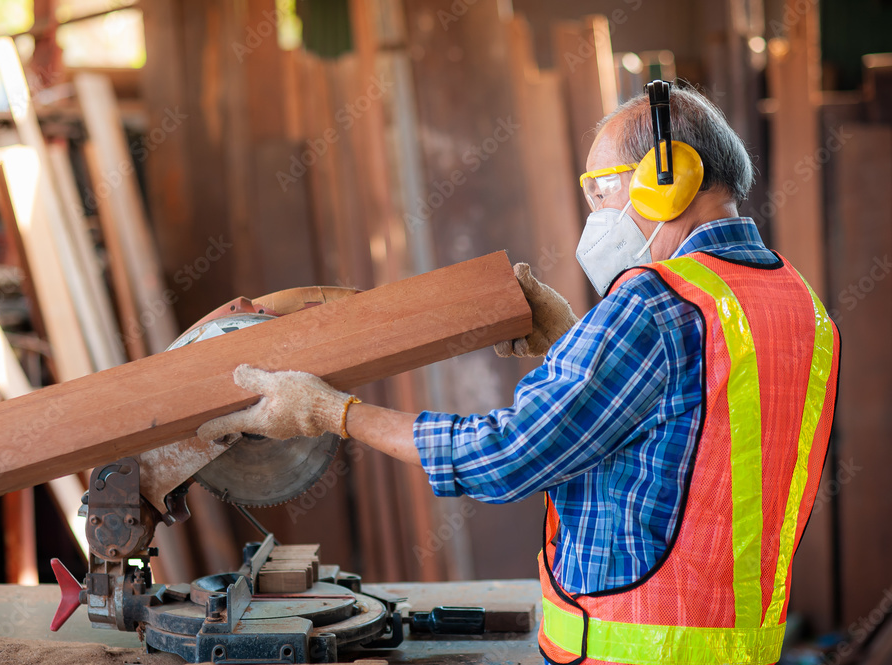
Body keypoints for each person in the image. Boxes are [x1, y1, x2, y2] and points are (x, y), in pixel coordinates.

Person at [198, 81, 840, 665]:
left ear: (667, 180)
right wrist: (571, 338)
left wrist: (329, 412)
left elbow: (507, 457)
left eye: (600, 188)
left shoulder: (654, 304)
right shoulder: (798, 307)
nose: (595, 214)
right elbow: (692, 433)